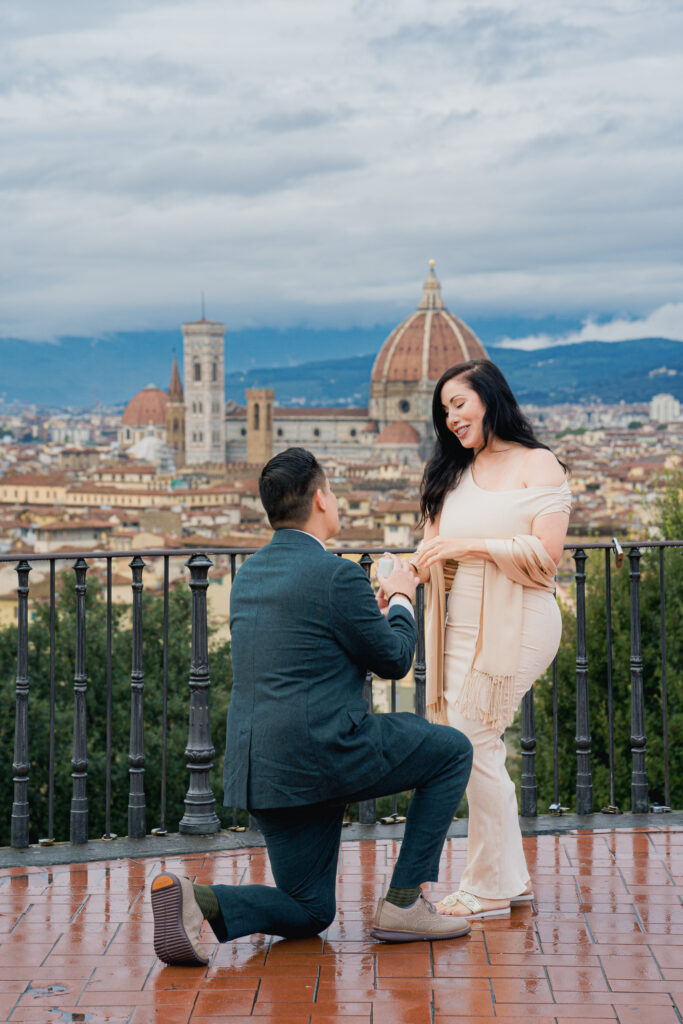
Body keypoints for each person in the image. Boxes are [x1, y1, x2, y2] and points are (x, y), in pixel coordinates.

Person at [151, 447, 473, 964]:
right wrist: (401, 596)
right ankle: (405, 902)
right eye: (335, 492)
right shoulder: (337, 575)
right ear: (321, 498)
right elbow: (394, 660)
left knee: (310, 909)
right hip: (327, 754)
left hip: (264, 769)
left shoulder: (249, 575)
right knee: (452, 750)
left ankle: (199, 898)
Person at [411, 360, 571, 921]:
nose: (451, 418)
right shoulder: (450, 474)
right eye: (444, 410)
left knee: (473, 736)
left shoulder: (538, 463)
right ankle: (510, 878)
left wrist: (473, 546)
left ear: (491, 397)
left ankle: (488, 886)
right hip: (460, 622)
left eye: (460, 403)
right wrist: (396, 578)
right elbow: (428, 554)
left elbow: (545, 557)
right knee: (474, 742)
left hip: (520, 615)